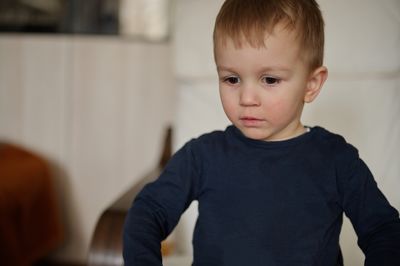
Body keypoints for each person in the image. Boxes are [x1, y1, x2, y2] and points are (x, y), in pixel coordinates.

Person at [123, 0, 400, 265]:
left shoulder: (336, 159)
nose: (246, 97)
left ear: (311, 84)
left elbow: (383, 232)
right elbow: (147, 212)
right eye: (232, 79)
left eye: (269, 80)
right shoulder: (202, 156)